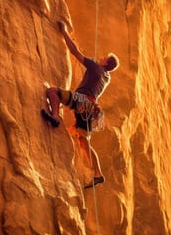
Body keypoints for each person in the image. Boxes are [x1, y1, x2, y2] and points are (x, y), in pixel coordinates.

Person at [41, 21, 119, 189]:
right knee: (84, 141)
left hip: (81, 101)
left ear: (105, 63)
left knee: (52, 92)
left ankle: (54, 117)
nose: (101, 57)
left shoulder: (96, 68)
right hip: (91, 109)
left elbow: (75, 52)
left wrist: (64, 32)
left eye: (104, 57)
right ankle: (98, 174)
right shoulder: (106, 78)